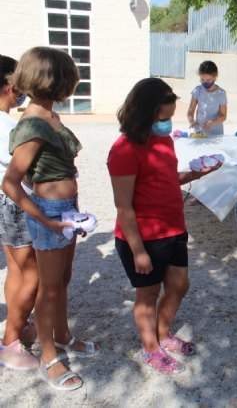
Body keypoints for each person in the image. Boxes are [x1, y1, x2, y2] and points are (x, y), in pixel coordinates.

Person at [108, 78, 222, 374]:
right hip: (143, 237)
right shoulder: (124, 150)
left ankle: (162, 334)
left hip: (174, 229)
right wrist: (138, 251)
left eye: (169, 117)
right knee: (147, 295)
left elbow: (168, 180)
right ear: (146, 113)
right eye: (163, 118)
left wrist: (198, 173)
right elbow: (123, 205)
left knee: (179, 285)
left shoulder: (164, 141)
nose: (167, 124)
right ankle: (149, 349)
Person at [3, 47, 99, 391]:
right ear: (57, 80)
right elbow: (11, 183)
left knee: (64, 279)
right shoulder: (32, 123)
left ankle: (62, 336)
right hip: (51, 215)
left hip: (66, 210)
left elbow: (42, 172)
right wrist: (47, 219)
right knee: (50, 290)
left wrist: (72, 213)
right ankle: (48, 356)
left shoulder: (47, 115)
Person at [0, 54, 39, 370]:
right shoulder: (9, 127)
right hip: (16, 205)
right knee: (32, 275)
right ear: (11, 86)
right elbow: (25, 174)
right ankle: (10, 343)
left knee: (15, 268)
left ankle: (20, 325)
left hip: (5, 207)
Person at [187, 60, 227, 136]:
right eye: (202, 80)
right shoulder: (197, 90)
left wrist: (213, 122)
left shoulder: (221, 93)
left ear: (215, 77)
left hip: (216, 134)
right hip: (199, 132)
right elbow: (190, 111)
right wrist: (192, 121)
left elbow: (223, 115)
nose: (205, 83)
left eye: (208, 80)